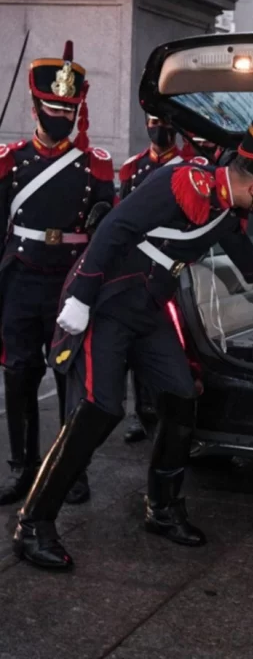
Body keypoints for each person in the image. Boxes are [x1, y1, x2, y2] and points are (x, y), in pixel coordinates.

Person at [12, 120, 253, 571]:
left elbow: (232, 234)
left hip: (148, 307)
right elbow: (113, 229)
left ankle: (162, 509)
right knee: (99, 407)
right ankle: (34, 523)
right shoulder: (179, 180)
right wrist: (81, 298)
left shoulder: (224, 198)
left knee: (180, 394)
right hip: (109, 300)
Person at [0, 41, 115, 508]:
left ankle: (72, 470)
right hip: (22, 278)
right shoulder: (11, 159)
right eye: (52, 108)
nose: (59, 117)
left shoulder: (97, 166)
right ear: (35, 106)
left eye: (69, 110)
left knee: (71, 376)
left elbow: (109, 230)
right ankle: (22, 468)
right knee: (18, 372)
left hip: (70, 282)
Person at [118, 114, 184, 444]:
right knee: (136, 337)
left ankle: (167, 408)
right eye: (156, 121)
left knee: (172, 339)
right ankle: (140, 410)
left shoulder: (188, 165)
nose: (162, 129)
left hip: (173, 262)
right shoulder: (133, 168)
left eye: (169, 123)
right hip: (139, 263)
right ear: (146, 123)